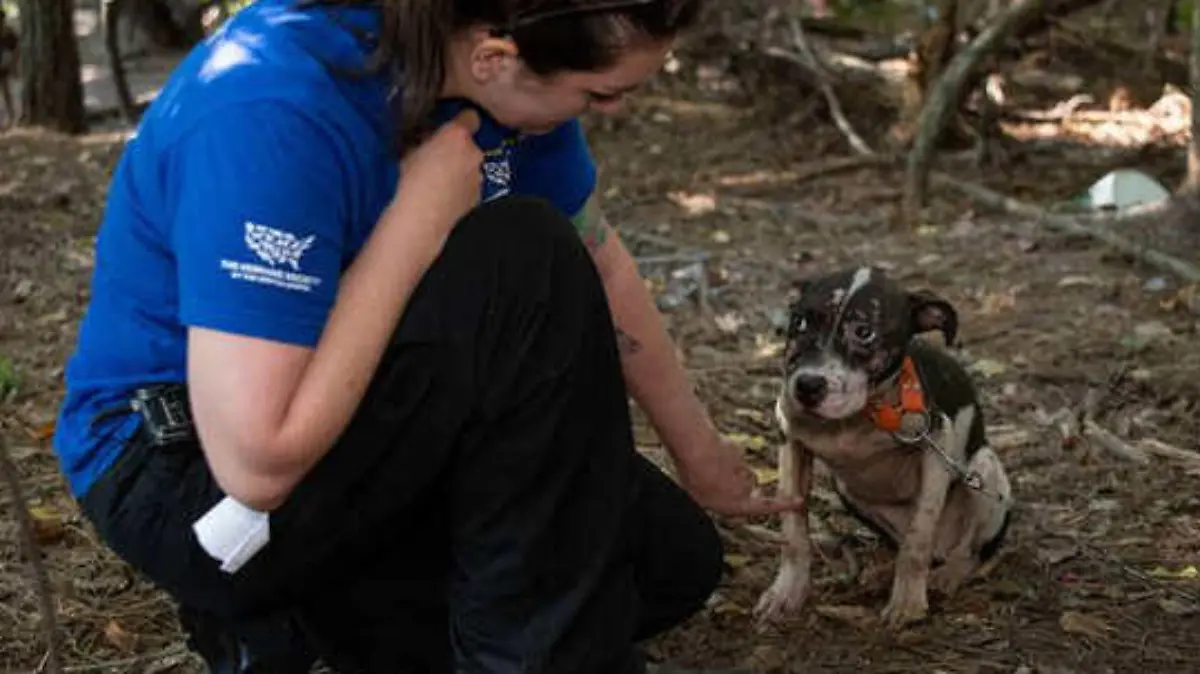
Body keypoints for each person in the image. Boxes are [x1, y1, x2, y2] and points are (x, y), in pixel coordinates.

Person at [52, 0, 804, 671]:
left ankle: (324, 615)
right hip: (186, 474)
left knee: (671, 561)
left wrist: (700, 454)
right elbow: (256, 459)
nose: (605, 112)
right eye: (600, 92)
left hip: (368, 424)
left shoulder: (505, 85)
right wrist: (415, 223)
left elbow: (600, 266)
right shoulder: (274, 105)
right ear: (493, 54)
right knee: (522, 257)